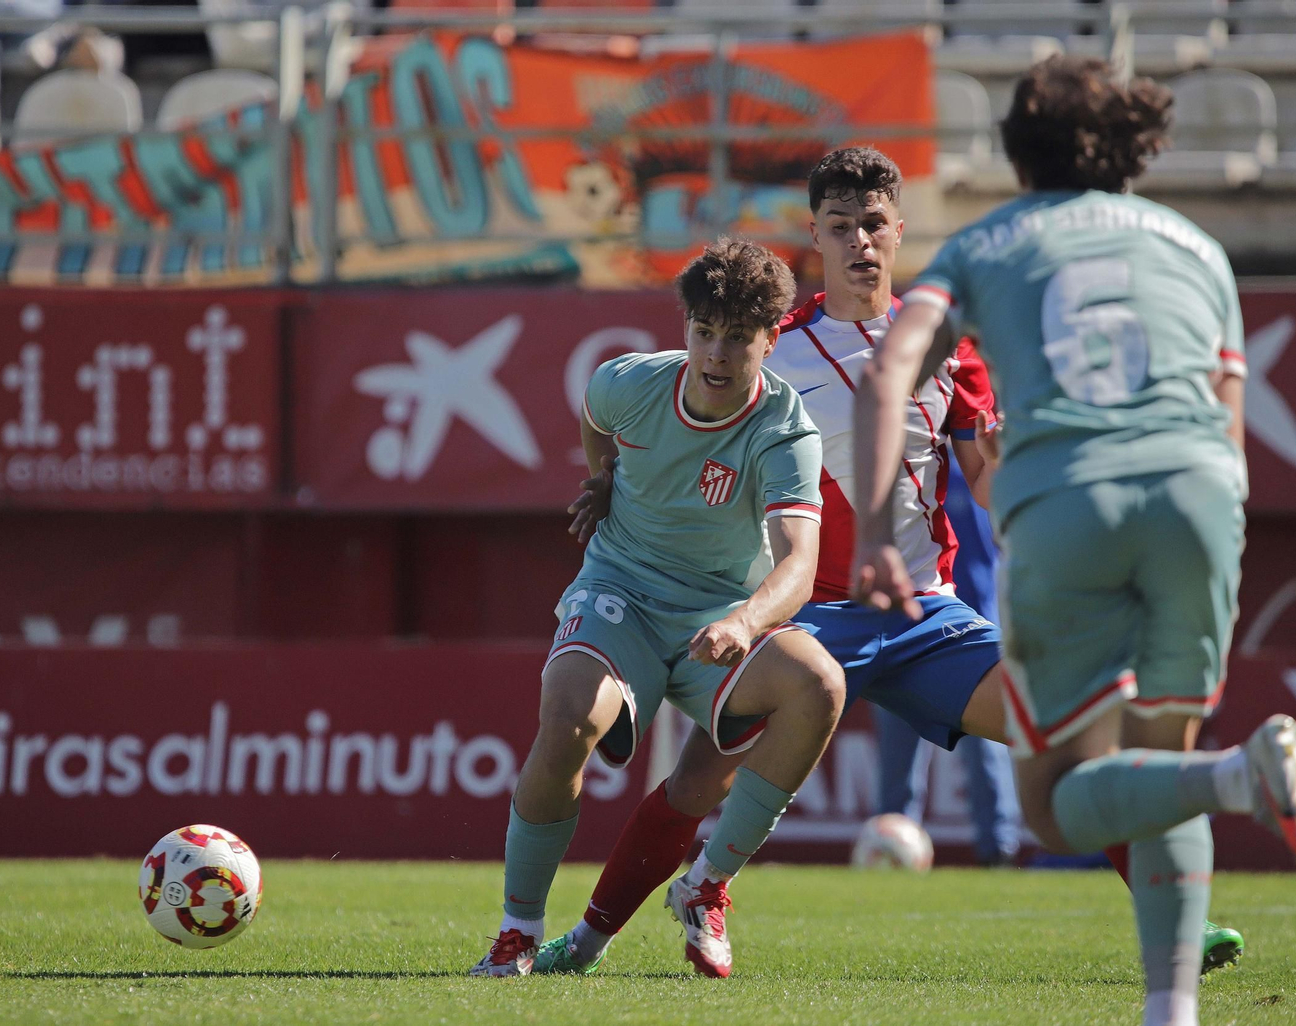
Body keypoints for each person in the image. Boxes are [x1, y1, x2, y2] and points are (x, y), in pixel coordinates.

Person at [533, 145, 1246, 980]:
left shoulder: (949, 347)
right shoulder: (774, 351)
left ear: (899, 230)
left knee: (1069, 736)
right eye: (841, 226)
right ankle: (586, 942)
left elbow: (985, 486)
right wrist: (613, 484)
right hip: (806, 618)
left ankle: (1177, 929)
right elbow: (682, 438)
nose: (860, 241)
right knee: (699, 781)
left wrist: (1023, 476)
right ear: (816, 237)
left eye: (874, 224)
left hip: (925, 615)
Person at [850, 57, 1296, 1026]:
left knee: (1056, 801)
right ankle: (1173, 1010)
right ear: (1131, 144)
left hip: (1067, 505)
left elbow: (887, 375)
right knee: (1155, 766)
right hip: (1201, 502)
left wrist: (876, 528)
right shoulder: (1198, 248)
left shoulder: (985, 243)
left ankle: (1241, 776)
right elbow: (1227, 419)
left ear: (1015, 149)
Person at [470, 238, 847, 977]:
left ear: (771, 338)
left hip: (721, 620)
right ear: (685, 328)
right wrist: (607, 476)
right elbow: (595, 422)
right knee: (569, 714)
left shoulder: (786, 431)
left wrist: (744, 620)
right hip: (623, 594)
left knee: (821, 686)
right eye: (704, 331)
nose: (716, 352)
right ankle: (517, 932)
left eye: (738, 337)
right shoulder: (626, 384)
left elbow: (800, 566)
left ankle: (707, 884)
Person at [874, 457, 1021, 868]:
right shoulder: (907, 462)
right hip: (908, 620)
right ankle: (890, 844)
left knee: (985, 746)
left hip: (973, 618)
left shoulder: (975, 464)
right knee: (897, 740)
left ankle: (998, 848)